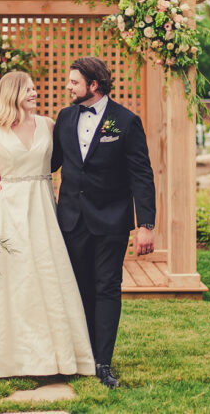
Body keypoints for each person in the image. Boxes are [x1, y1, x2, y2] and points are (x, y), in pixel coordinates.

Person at [0, 71, 95, 378]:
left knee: (45, 278)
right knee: (8, 281)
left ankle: (50, 356)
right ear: (12, 93)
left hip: (41, 210)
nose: (34, 93)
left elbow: (70, 162)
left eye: (34, 88)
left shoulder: (48, 125)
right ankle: (1, 356)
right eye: (28, 89)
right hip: (5, 211)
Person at [50, 57, 156, 389]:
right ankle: (81, 356)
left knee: (107, 288)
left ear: (93, 85)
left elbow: (141, 174)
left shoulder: (126, 121)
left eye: (74, 82)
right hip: (72, 219)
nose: (68, 87)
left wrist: (146, 225)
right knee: (78, 288)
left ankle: (103, 363)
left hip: (111, 220)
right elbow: (51, 162)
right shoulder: (65, 117)